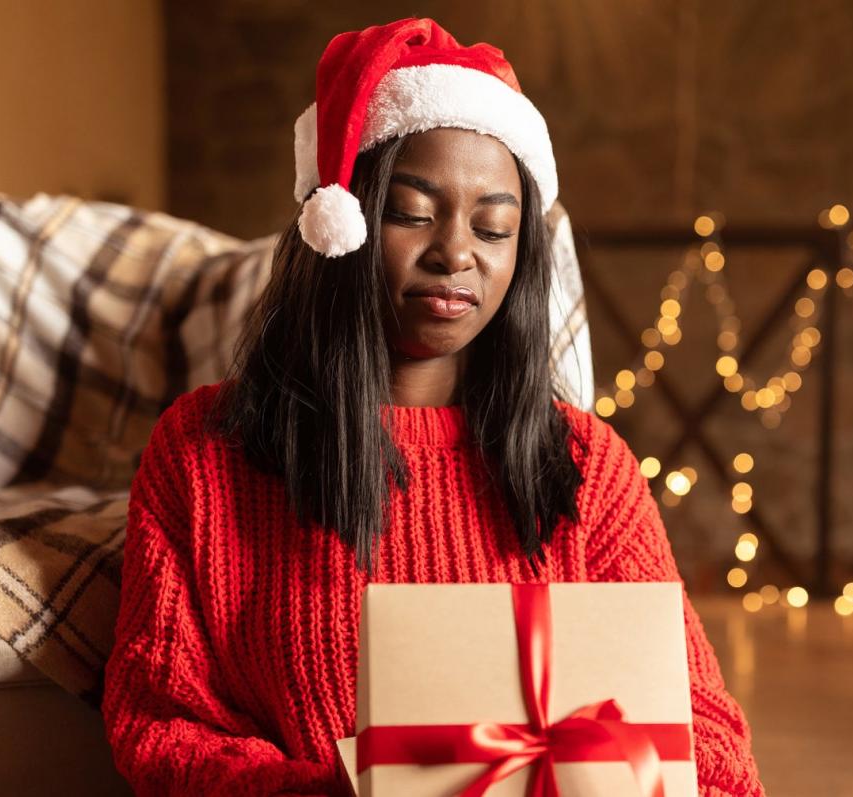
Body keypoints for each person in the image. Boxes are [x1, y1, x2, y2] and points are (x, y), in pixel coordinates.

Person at [101, 16, 765, 797]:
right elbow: (158, 725)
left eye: (494, 226)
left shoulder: (586, 464)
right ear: (339, 222)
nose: (457, 253)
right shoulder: (203, 451)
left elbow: (711, 741)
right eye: (413, 212)